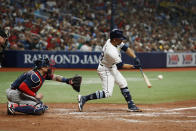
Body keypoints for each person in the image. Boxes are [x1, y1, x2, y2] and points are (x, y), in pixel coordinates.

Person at [78, 29, 142, 112]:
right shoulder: (111, 51)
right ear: (115, 39)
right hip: (105, 69)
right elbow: (120, 65)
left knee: (123, 83)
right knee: (107, 93)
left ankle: (131, 105)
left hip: (112, 67)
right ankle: (84, 98)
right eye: (120, 39)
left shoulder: (113, 41)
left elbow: (125, 48)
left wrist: (135, 57)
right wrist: (134, 67)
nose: (122, 40)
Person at [6, 58, 79, 115]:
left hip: (20, 93)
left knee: (41, 105)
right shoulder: (35, 77)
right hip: (15, 94)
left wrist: (68, 81)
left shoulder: (42, 74)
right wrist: (35, 95)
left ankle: (18, 105)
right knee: (38, 109)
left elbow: (56, 77)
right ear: (42, 67)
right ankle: (13, 106)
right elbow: (22, 87)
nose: (50, 68)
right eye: (48, 66)